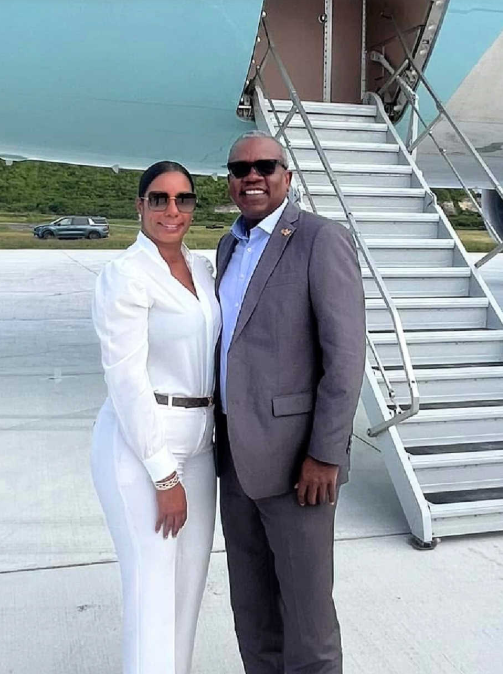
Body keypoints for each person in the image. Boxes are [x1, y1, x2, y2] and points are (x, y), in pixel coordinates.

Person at [214, 131, 366, 674]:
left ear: (287, 175)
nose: (252, 176)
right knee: (252, 608)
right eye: (240, 169)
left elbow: (345, 359)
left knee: (308, 619)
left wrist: (325, 454)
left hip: (299, 466)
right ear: (230, 181)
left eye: (265, 166)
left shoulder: (321, 240)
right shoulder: (228, 246)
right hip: (235, 460)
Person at [91, 160, 221, 674]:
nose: (172, 210)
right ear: (140, 206)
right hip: (143, 443)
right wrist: (164, 475)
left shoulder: (202, 268)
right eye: (159, 199)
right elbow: (125, 380)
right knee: (151, 590)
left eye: (183, 199)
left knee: (188, 588)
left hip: (202, 441)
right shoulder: (125, 275)